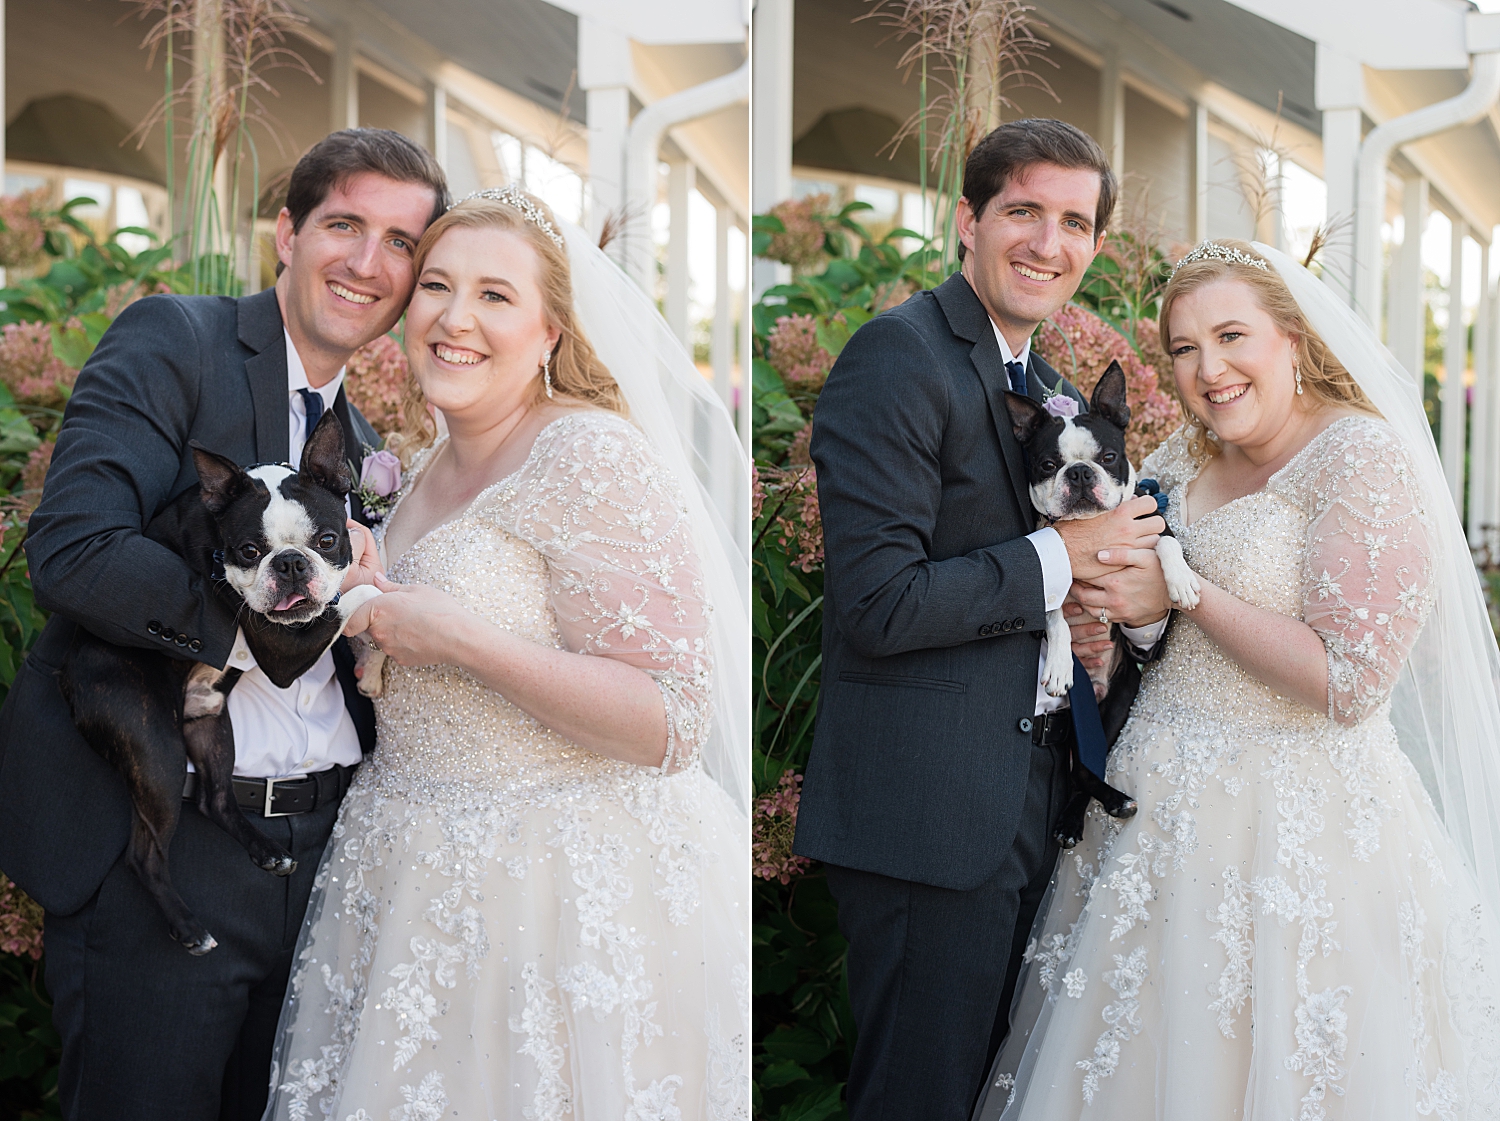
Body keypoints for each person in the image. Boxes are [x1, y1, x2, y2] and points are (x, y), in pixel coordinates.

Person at [976, 239, 1500, 1120]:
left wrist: (1189, 596)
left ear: (1291, 337)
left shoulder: (1358, 457)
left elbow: (1351, 681)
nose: (1207, 369)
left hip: (1306, 830)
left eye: (1231, 336)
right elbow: (1153, 637)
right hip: (1155, 819)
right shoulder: (1180, 460)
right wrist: (1111, 627)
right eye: (1184, 348)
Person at [261, 188, 750, 1120]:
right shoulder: (412, 467)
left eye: (494, 295)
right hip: (406, 880)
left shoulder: (588, 452)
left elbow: (671, 719)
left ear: (550, 331)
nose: (454, 317)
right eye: (438, 286)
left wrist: (469, 643)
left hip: (560, 892)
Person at [0, 128, 448, 1120]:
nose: (369, 263)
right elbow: (71, 549)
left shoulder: (366, 450)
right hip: (163, 846)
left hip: (324, 857)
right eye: (344, 224)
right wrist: (278, 625)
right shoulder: (177, 340)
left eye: (401, 242)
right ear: (285, 232)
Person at [791, 118, 1172, 1121]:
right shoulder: (899, 356)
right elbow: (877, 601)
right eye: (1024, 212)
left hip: (1031, 798)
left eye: (1075, 221)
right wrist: (1061, 558)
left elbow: (1057, 601)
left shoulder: (1046, 394)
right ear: (968, 219)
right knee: (917, 1097)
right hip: (928, 815)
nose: (1050, 242)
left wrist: (1114, 605)